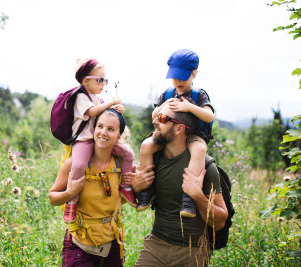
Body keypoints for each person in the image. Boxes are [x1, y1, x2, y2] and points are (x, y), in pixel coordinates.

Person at [128, 105, 228, 267]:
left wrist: (197, 196)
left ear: (179, 128)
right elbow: (140, 200)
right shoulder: (155, 158)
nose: (154, 122)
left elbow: (220, 222)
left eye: (162, 119)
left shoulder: (206, 167)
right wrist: (137, 186)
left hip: (192, 251)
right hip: (156, 244)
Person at [137, 49, 214, 217]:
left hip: (193, 135)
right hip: (169, 132)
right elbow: (154, 115)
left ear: (194, 74)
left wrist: (189, 107)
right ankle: (147, 189)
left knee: (199, 150)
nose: (178, 81)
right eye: (175, 76)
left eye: (183, 76)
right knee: (146, 145)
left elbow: (209, 116)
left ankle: (189, 198)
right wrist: (163, 106)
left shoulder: (198, 94)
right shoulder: (167, 94)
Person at [49, 109, 130, 266]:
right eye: (100, 126)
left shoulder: (120, 164)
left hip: (110, 241)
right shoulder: (75, 163)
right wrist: (70, 192)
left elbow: (121, 199)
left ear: (119, 136)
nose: (103, 133)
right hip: (78, 242)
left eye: (111, 129)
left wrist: (137, 185)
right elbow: (52, 198)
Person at [64, 59, 136, 223]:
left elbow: (106, 114)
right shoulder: (81, 97)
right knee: (79, 165)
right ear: (85, 80)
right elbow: (93, 112)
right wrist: (111, 102)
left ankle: (125, 187)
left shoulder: (96, 98)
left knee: (127, 153)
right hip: (84, 140)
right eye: (100, 80)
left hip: (99, 139)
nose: (103, 84)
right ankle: (72, 201)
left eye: (105, 80)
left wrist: (117, 110)